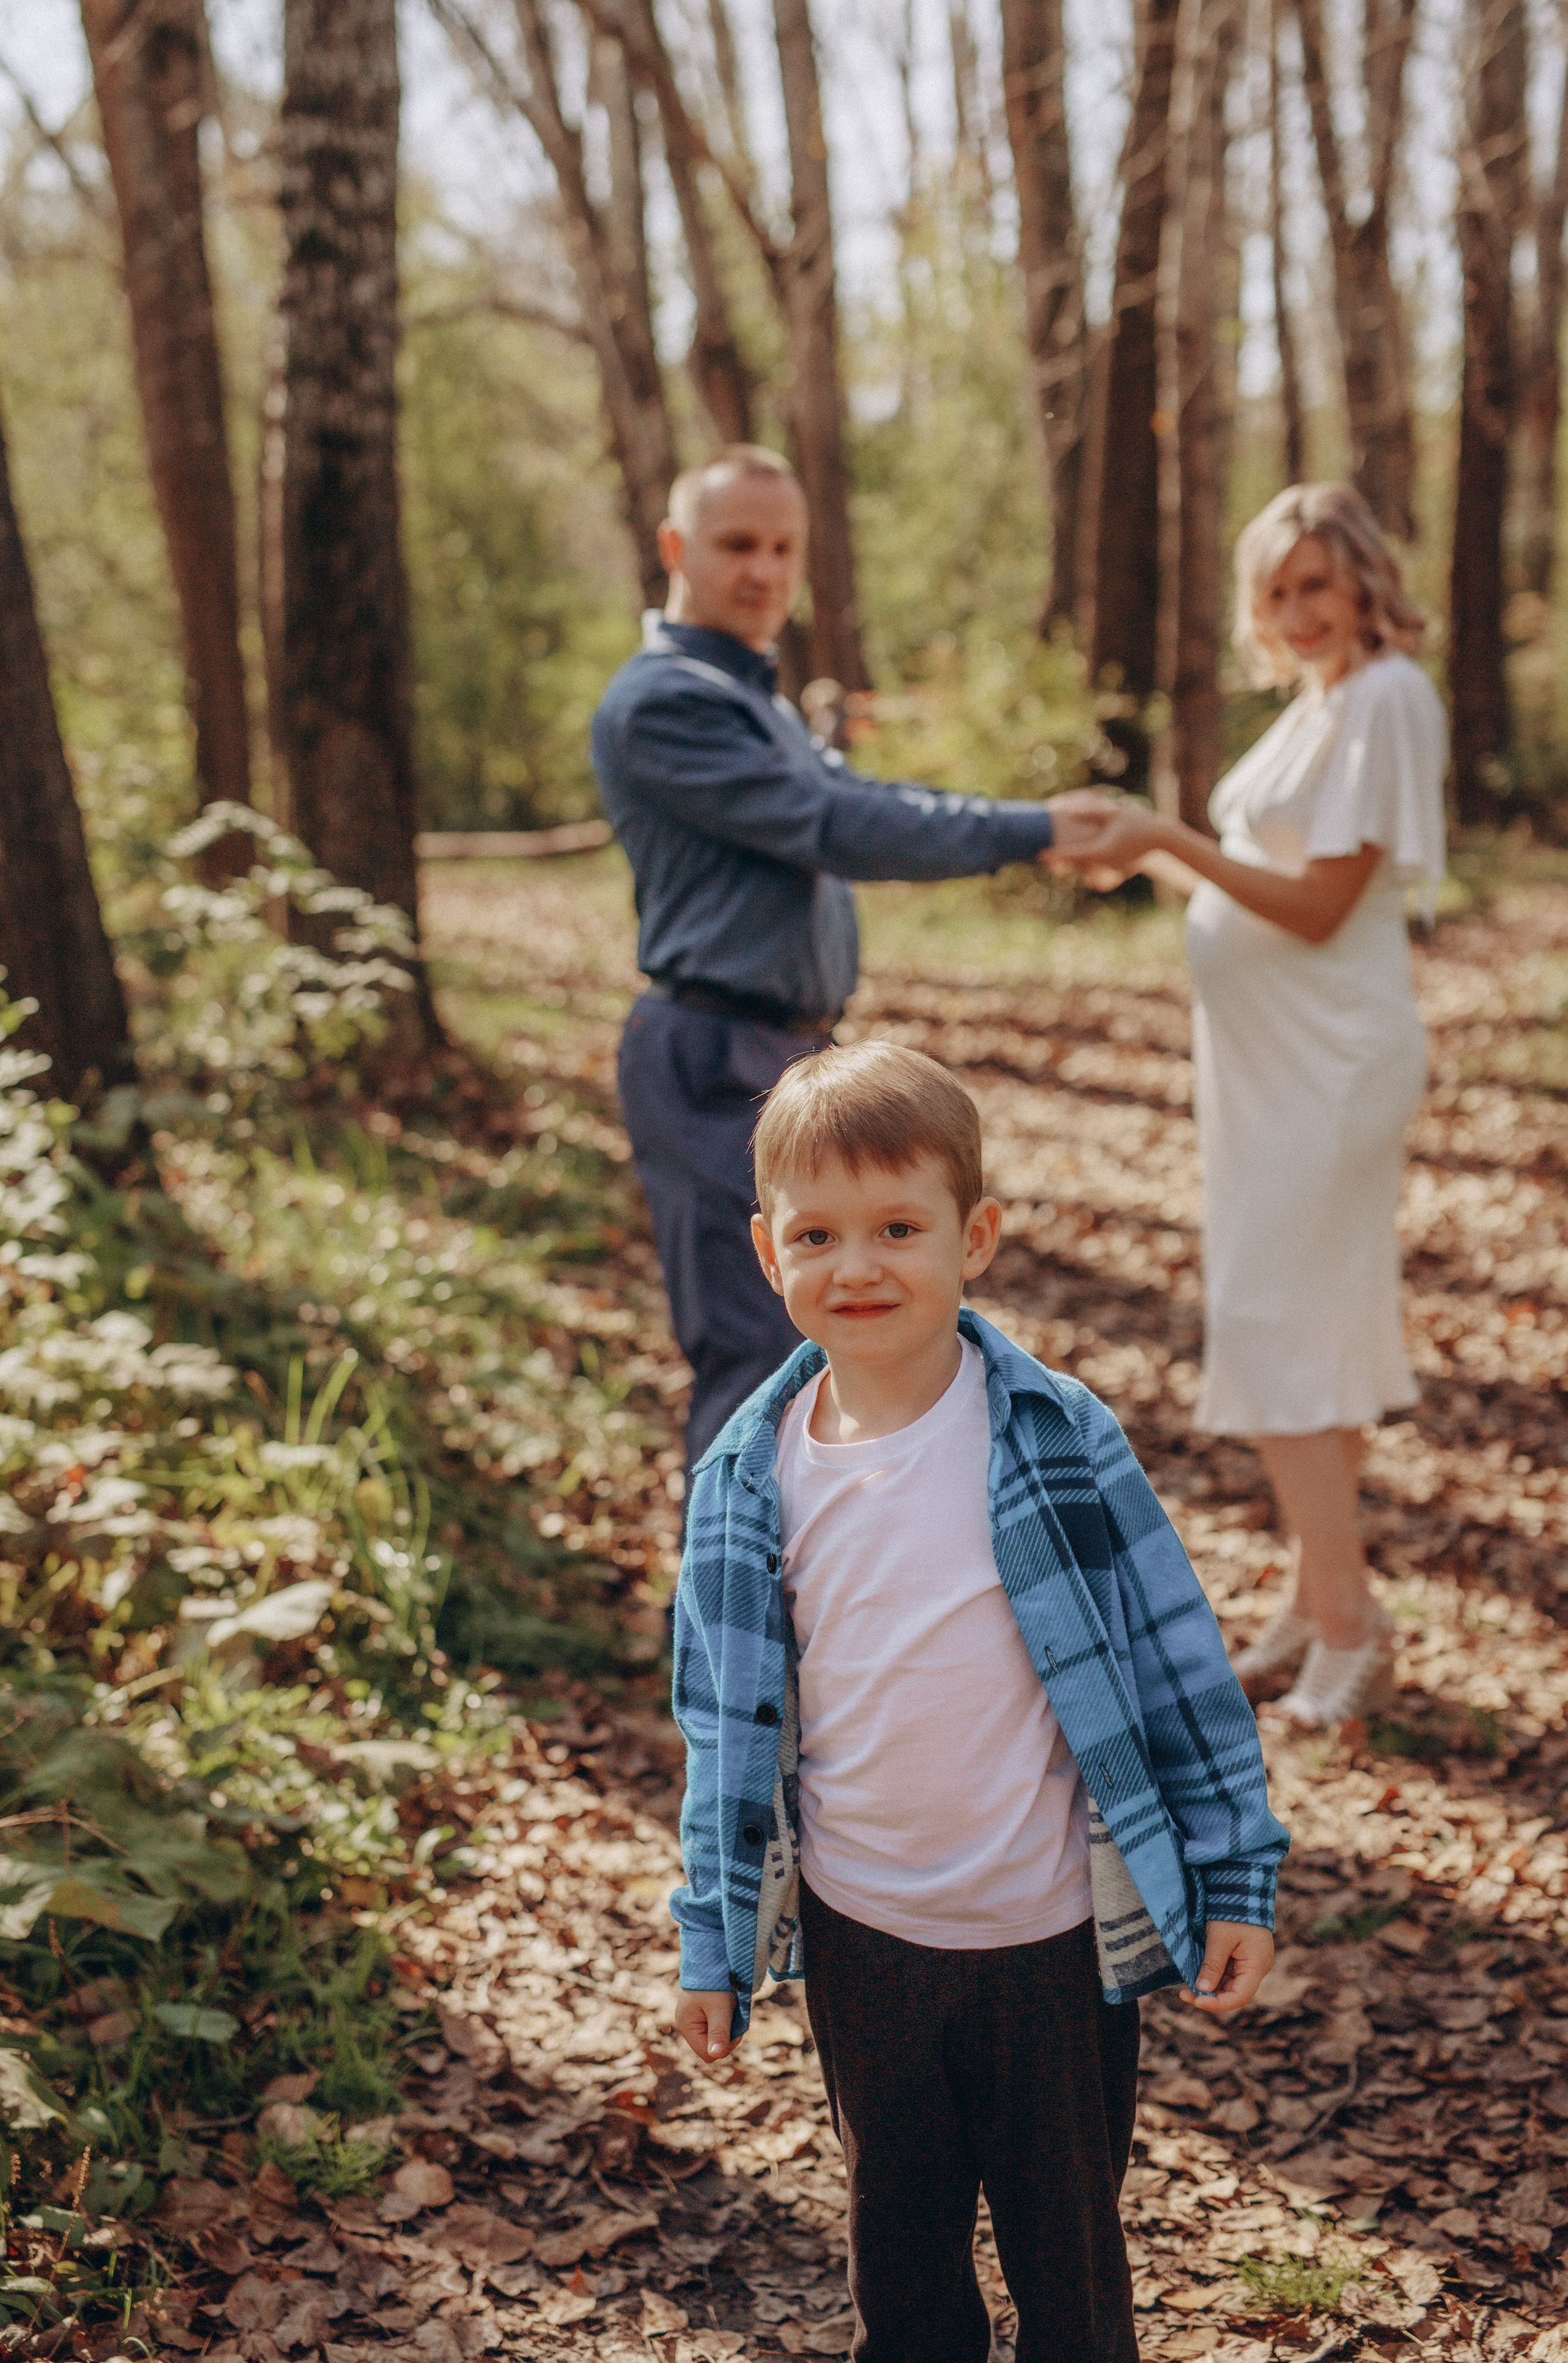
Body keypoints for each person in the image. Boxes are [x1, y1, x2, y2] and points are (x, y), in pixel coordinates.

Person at [669, 1041, 1286, 2363]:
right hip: (863, 1937)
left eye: (899, 1228)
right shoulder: (746, 1480)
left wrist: (1235, 1871)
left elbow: (1174, 1660)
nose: (858, 1266)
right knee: (899, 2259)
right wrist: (711, 1939)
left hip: (1049, 1936)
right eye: (817, 1236)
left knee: (1069, 2257)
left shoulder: (1057, 1436)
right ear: (769, 1256)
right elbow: (721, 1732)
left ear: (976, 1237)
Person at [591, 443, 1113, 1470]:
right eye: (738, 544)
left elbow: (860, 802)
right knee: (755, 1363)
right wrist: (1038, 829)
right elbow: (836, 824)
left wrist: (1038, 825)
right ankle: (725, 1583)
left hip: (782, 1055)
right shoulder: (666, 700)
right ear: (675, 548)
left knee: (821, 1366)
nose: (765, 571)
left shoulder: (757, 699)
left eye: (784, 548)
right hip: (711, 1056)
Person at [1054, 483, 1447, 1730]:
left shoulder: (1386, 697)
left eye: (1314, 584)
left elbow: (1320, 906)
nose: (1295, 610)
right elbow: (1256, 881)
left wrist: (1167, 838)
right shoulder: (1316, 705)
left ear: (1365, 580)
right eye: (1274, 591)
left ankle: (1353, 1629)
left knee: (1278, 1328)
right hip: (1268, 1063)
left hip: (1329, 1062)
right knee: (1306, 1327)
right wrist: (1144, 852)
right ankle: (1313, 1594)